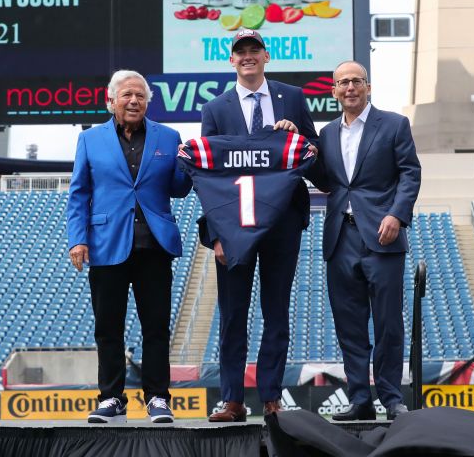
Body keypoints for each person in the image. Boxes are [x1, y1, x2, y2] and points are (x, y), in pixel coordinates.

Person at [199, 28, 320, 421]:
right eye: (241, 52)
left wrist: (297, 136)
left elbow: (313, 156)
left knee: (277, 311)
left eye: (254, 50)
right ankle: (232, 398)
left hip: (281, 221)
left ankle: (271, 395)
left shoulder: (294, 98)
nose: (248, 56)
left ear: (266, 56)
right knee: (232, 314)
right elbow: (208, 177)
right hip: (233, 226)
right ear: (231, 61)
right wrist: (215, 234)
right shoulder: (215, 110)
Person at [66, 70, 192, 424]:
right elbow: (79, 193)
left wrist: (188, 165)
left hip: (154, 246)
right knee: (108, 327)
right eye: (126, 95)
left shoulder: (169, 138)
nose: (133, 101)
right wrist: (78, 238)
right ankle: (111, 398)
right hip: (106, 246)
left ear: (148, 102)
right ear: (111, 101)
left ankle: (157, 398)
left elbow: (179, 188)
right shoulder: (90, 140)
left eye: (140, 95)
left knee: (156, 326)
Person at [317, 60, 421, 421]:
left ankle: (392, 398)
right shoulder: (327, 134)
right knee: (349, 325)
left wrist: (396, 214)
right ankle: (360, 398)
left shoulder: (393, 124)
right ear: (333, 91)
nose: (349, 88)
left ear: (368, 87)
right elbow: (319, 175)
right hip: (339, 236)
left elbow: (410, 173)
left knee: (389, 322)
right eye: (342, 82)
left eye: (356, 81)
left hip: (383, 235)